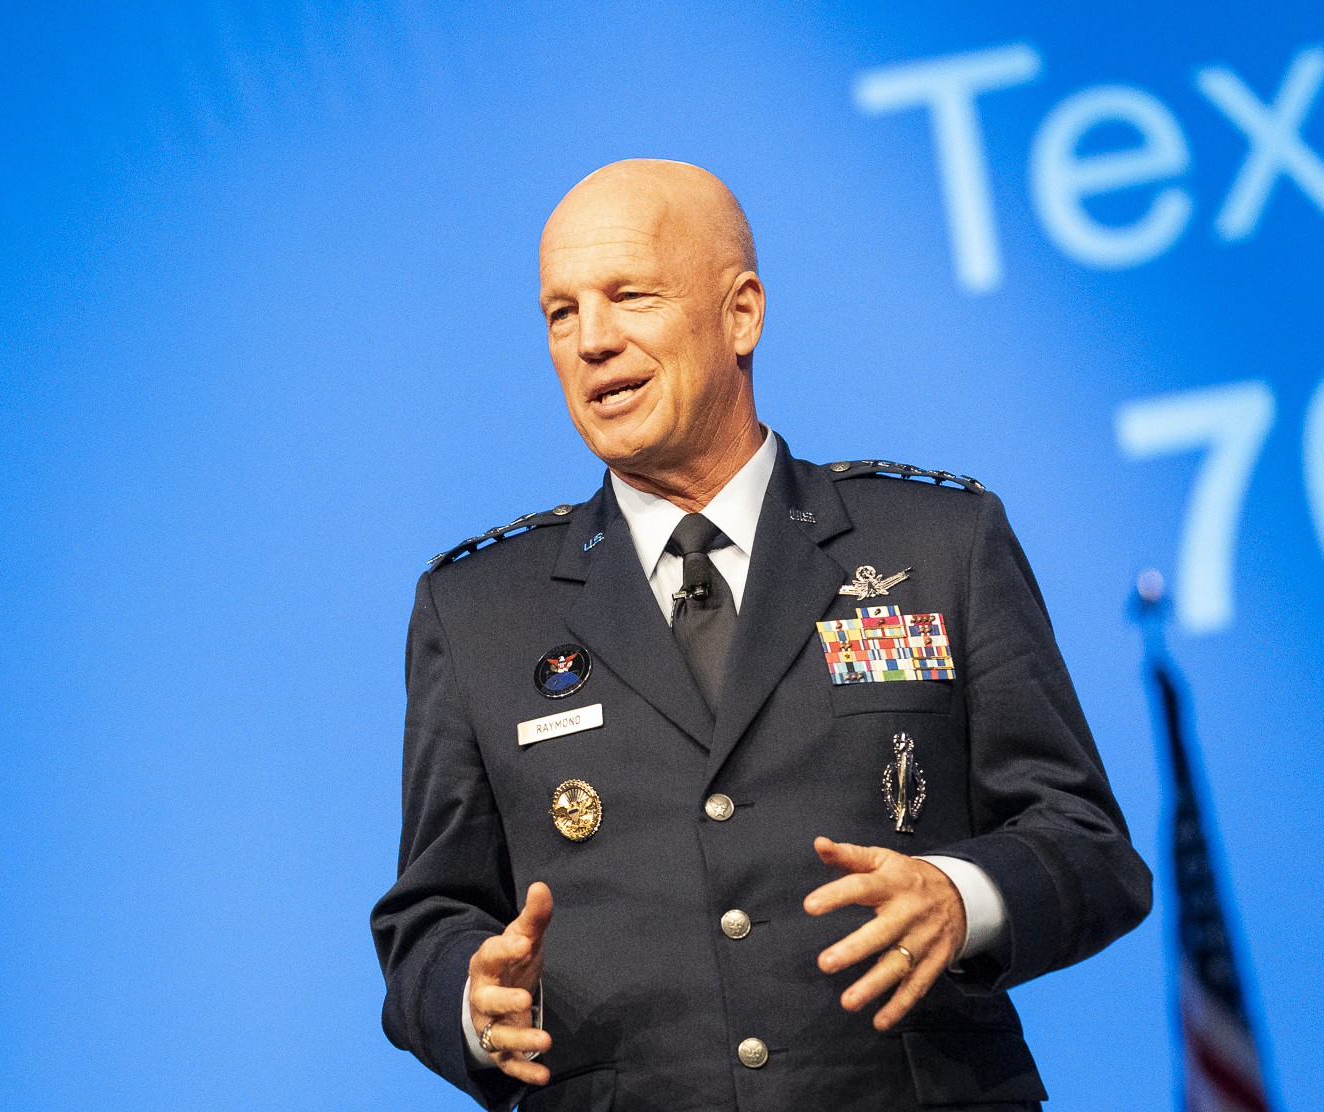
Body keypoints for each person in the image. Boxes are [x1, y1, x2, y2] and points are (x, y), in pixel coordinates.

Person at [371, 160, 1151, 1112]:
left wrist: (961, 896)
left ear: (741, 315)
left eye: (631, 297)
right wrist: (469, 997)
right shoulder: (480, 609)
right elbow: (429, 917)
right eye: (561, 313)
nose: (593, 341)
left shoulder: (938, 542)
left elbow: (1088, 843)